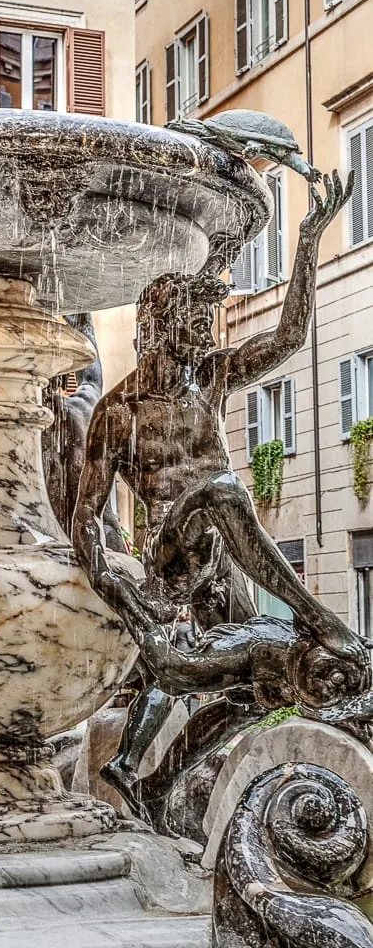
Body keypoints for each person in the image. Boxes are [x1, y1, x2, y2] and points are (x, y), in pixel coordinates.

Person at [73, 171, 371, 813]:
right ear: (158, 322)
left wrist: (309, 241)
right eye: (194, 319)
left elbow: (288, 340)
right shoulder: (118, 412)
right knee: (224, 493)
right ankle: (317, 614)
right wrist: (112, 583)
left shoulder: (211, 376)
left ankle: (142, 777)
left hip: (218, 561)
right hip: (171, 549)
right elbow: (85, 518)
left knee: (248, 691)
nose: (208, 330)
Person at [41, 312, 125, 552]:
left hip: (46, 552)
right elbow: (91, 375)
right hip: (101, 547)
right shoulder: (85, 408)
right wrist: (80, 316)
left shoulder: (8, 427)